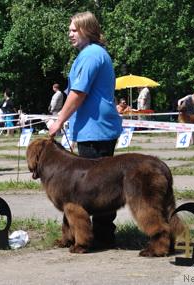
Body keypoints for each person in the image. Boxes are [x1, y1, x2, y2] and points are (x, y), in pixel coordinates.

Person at [48, 11, 122, 249]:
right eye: (69, 30)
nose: (69, 34)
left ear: (87, 30)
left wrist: (58, 122)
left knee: (93, 189)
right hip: (93, 129)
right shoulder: (90, 54)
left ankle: (100, 236)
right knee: (86, 187)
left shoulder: (91, 55)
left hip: (96, 131)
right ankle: (72, 234)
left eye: (73, 30)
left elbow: (78, 93)